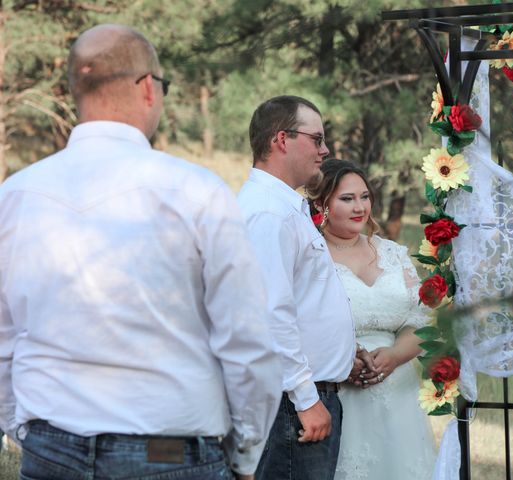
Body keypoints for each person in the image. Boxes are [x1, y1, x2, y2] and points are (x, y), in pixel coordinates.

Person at [0, 24, 282, 480]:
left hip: (51, 447)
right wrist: (246, 453)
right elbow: (247, 340)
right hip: (169, 451)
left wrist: (23, 428)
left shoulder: (15, 195)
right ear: (148, 88)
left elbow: (4, 339)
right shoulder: (197, 191)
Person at [237, 96, 356, 480]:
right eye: (317, 139)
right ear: (281, 140)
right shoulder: (268, 214)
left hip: (306, 394)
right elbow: (270, 313)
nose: (325, 151)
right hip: (293, 403)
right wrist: (306, 399)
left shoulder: (285, 207)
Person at [306, 159, 437, 480]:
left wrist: (394, 356)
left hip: (398, 390)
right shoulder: (309, 254)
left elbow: (420, 320)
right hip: (339, 390)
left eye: (364, 197)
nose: (359, 207)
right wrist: (340, 360)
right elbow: (296, 324)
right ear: (322, 204)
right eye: (346, 198)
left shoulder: (393, 253)